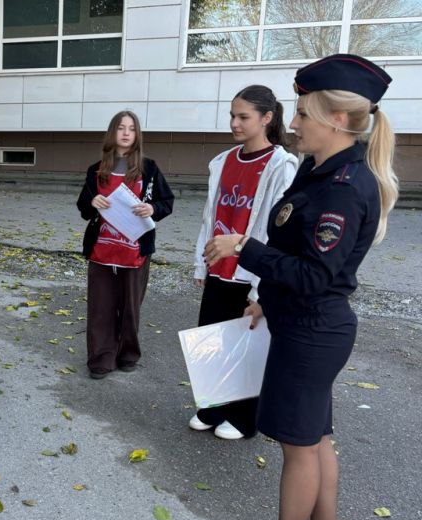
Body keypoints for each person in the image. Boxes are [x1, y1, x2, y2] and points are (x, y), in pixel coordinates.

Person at [204, 54, 397, 520]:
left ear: (336, 119)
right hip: (305, 323)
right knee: (314, 439)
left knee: (299, 447)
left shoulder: (342, 187)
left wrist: (244, 248)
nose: (292, 124)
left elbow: (314, 274)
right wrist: (267, 297)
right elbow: (301, 256)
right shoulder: (320, 170)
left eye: (302, 114)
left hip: (312, 332)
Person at [190, 86, 299, 440]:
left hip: (251, 269)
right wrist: (201, 262)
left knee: (246, 346)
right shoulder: (222, 161)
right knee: (213, 339)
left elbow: (277, 230)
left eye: (243, 117)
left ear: (266, 118)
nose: (234, 123)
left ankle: (243, 417)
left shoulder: (281, 165)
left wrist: (261, 286)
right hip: (219, 266)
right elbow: (210, 215)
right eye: (232, 116)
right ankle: (212, 407)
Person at [76, 110, 174, 379]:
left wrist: (152, 208)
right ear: (112, 132)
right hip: (101, 250)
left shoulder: (149, 168)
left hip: (135, 251)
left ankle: (128, 354)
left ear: (137, 134)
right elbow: (84, 207)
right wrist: (92, 202)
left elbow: (167, 202)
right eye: (121, 128)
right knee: (101, 307)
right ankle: (101, 358)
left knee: (130, 307)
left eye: (132, 128)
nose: (126, 133)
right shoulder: (96, 170)